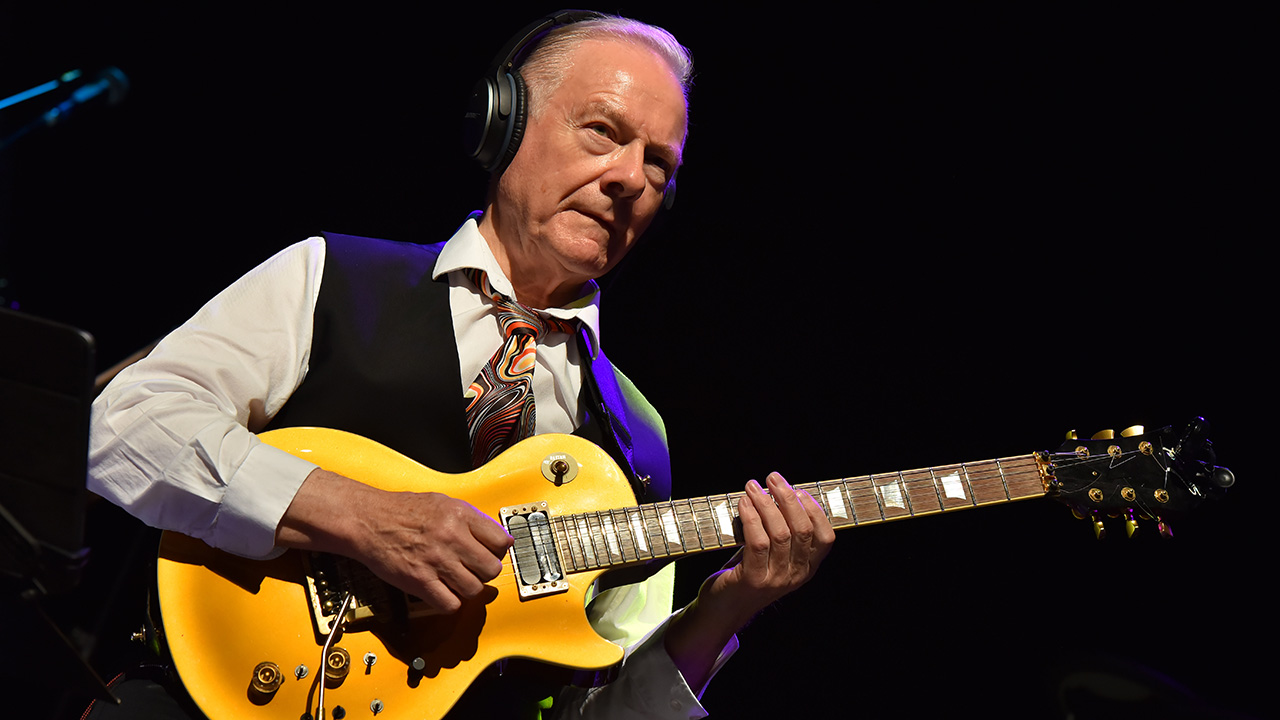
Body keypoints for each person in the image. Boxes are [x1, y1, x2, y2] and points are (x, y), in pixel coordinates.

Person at [88, 11, 834, 719]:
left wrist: (723, 610)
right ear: (503, 124)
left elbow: (587, 708)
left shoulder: (638, 438)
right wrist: (358, 516)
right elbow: (121, 425)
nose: (629, 178)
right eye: (603, 132)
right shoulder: (333, 278)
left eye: (658, 164)